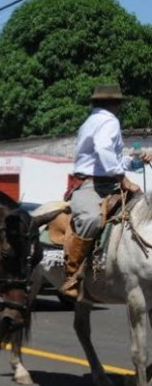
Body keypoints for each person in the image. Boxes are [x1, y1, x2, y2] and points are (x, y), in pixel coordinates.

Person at [63, 83, 152, 298]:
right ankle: (72, 275)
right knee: (92, 218)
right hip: (90, 186)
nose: (120, 106)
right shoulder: (108, 121)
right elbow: (103, 151)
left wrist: (137, 161)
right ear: (113, 103)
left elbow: (113, 158)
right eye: (119, 102)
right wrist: (122, 178)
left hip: (107, 184)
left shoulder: (95, 121)